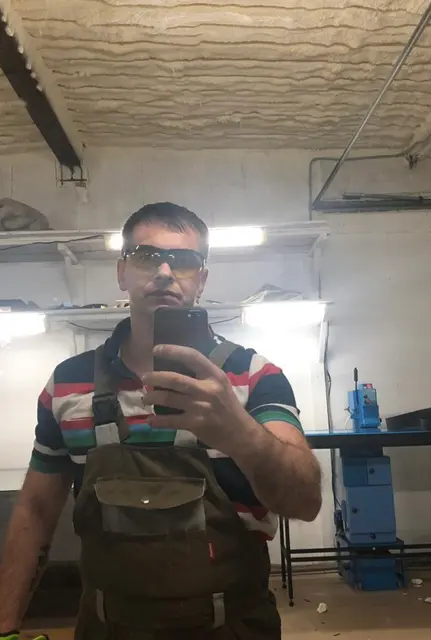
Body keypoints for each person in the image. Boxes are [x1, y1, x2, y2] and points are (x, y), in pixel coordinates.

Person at [0, 202, 322, 640]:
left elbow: (305, 502)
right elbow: (36, 511)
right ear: (122, 272)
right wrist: (5, 626)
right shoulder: (67, 384)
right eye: (147, 256)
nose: (166, 272)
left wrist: (239, 432)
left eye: (184, 261)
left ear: (201, 280)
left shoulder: (254, 376)